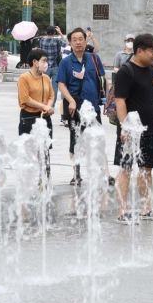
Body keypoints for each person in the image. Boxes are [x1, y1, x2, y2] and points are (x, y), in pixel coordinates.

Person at [113, 32, 153, 220]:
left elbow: (152, 93)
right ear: (139, 51)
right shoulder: (126, 71)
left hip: (150, 128)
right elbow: (120, 101)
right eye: (152, 51)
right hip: (131, 130)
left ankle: (147, 208)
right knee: (126, 169)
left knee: (147, 168)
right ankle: (122, 211)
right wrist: (125, 127)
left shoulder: (152, 68)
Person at [57, 27, 107, 186]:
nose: (78, 42)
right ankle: (76, 174)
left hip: (93, 107)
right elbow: (61, 84)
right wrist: (70, 100)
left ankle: (103, 173)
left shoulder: (94, 59)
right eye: (74, 40)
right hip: (75, 107)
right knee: (75, 140)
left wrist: (105, 100)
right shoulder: (65, 62)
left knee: (97, 140)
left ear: (86, 41)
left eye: (81, 39)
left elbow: (103, 79)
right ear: (70, 43)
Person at [17, 46, 55, 137]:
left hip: (45, 117)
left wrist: (48, 107)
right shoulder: (24, 78)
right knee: (30, 145)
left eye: (46, 61)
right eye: (44, 61)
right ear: (35, 62)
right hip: (29, 118)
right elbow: (26, 99)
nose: (46, 64)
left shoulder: (46, 78)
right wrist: (44, 107)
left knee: (46, 145)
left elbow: (51, 95)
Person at [36, 25, 64, 96]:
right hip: (55, 66)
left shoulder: (42, 40)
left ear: (46, 32)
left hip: (45, 66)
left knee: (44, 86)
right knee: (55, 87)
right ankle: (52, 102)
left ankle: (44, 101)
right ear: (54, 33)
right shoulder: (56, 41)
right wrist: (60, 32)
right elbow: (65, 43)